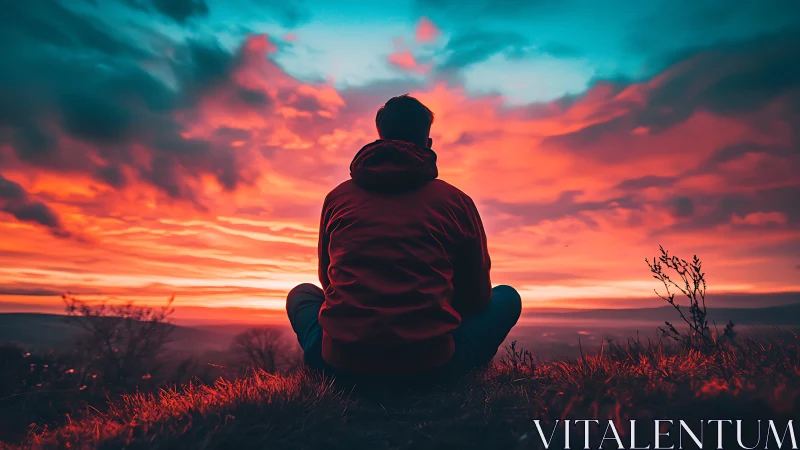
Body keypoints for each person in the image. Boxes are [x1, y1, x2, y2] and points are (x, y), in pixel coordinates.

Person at [286, 94, 521, 381]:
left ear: (380, 137)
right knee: (507, 297)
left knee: (301, 294)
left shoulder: (338, 197)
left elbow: (328, 281)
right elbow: (477, 297)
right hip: (433, 369)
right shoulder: (456, 201)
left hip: (341, 368)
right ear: (428, 143)